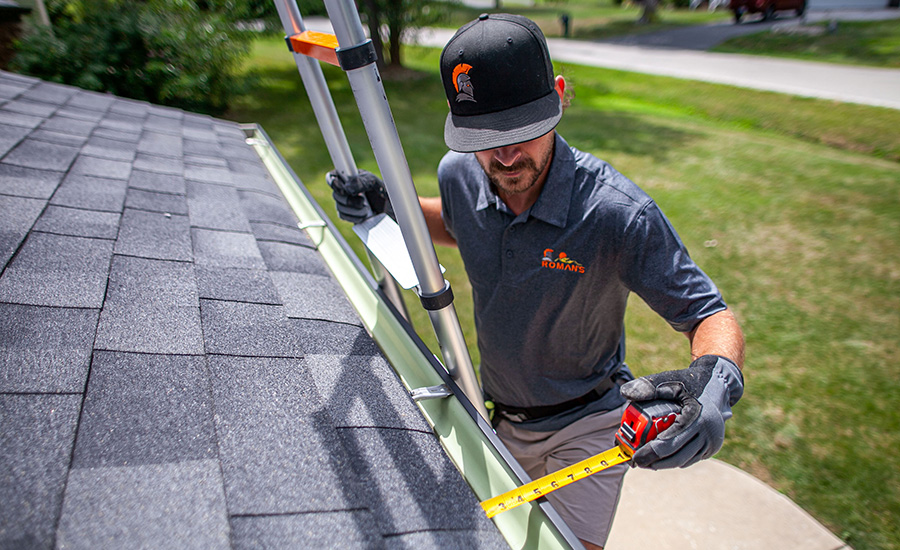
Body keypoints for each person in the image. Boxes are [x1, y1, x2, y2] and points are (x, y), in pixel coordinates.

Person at [328, 13, 745, 550]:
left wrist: (712, 382)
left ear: (560, 96)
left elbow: (710, 315)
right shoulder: (460, 173)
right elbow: (454, 221)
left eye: (520, 134)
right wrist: (390, 203)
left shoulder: (616, 214)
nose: (503, 156)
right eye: (484, 138)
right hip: (498, 417)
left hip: (590, 424)